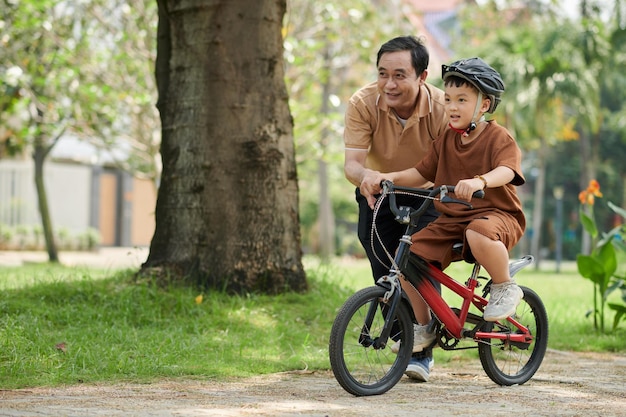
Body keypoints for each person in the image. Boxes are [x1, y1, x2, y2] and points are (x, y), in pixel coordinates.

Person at [361, 57, 526, 375]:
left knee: (478, 232)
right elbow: (419, 172)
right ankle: (426, 325)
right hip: (453, 221)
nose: (452, 106)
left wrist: (480, 181)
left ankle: (504, 285)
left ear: (484, 105)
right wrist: (387, 180)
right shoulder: (447, 140)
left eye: (462, 100)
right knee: (406, 258)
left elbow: (507, 170)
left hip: (496, 216)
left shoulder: (498, 137)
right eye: (448, 99)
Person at [343, 35, 448, 382]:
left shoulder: (441, 108)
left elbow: (452, 162)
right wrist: (366, 177)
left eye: (400, 75)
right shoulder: (363, 103)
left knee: (417, 261)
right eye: (382, 74)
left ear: (422, 76)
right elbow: (353, 164)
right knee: (384, 266)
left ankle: (422, 350)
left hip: (429, 193)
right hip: (380, 190)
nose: (389, 83)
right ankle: (408, 339)